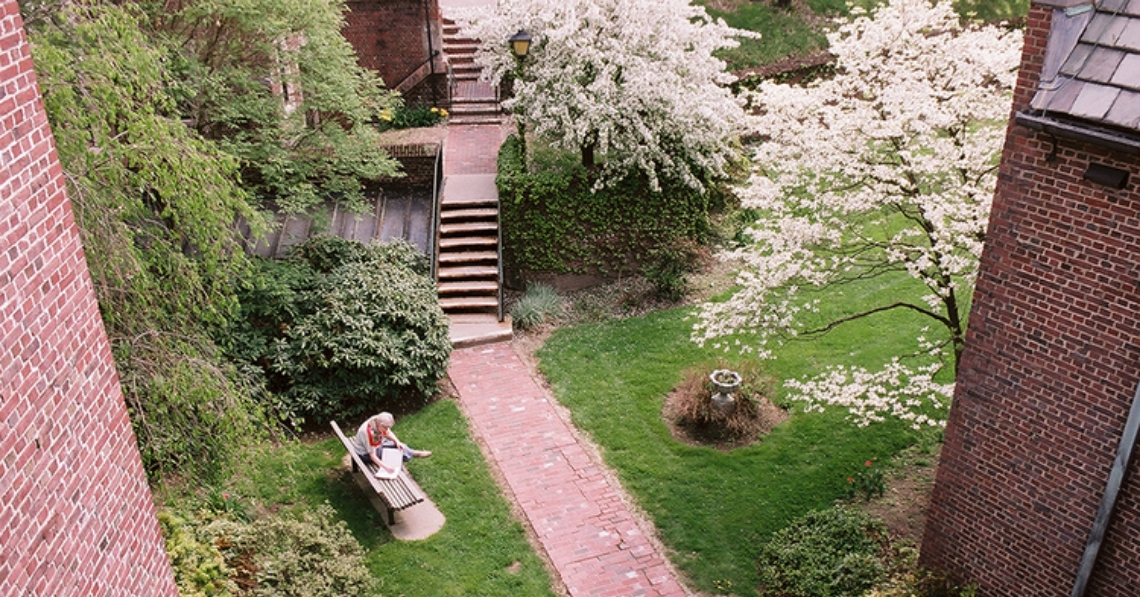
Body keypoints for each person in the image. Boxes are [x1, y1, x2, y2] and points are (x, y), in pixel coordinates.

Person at [353, 412, 431, 476]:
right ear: (380, 425)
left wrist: (397, 441)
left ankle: (412, 453)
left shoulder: (377, 419)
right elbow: (372, 455)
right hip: (364, 453)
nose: (387, 429)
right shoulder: (368, 433)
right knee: (394, 452)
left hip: (377, 443)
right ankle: (413, 454)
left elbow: (388, 432)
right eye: (385, 428)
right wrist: (386, 468)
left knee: (400, 446)